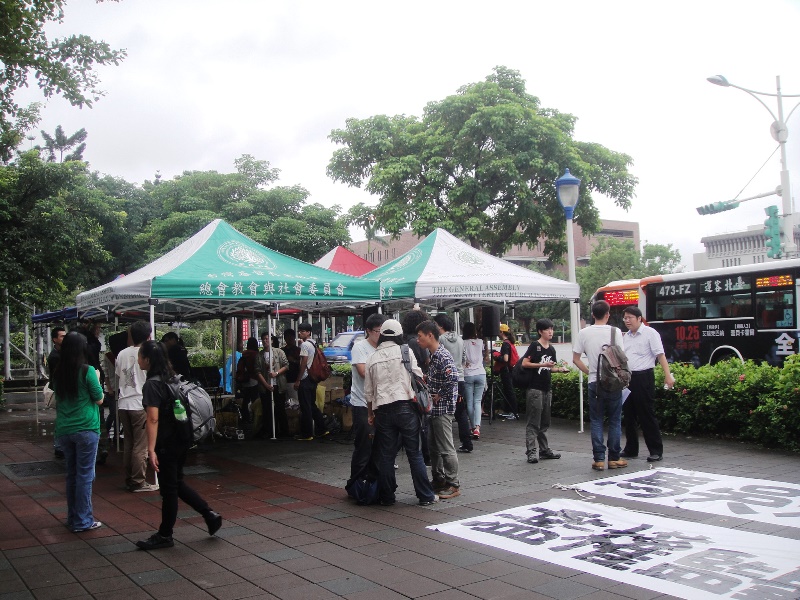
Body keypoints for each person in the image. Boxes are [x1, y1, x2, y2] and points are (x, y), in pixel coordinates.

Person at [136, 340, 222, 550]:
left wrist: (150, 449)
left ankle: (165, 534)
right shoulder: (172, 378)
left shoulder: (152, 384)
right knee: (176, 482)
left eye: (140, 355)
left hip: (167, 442)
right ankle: (209, 514)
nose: (138, 359)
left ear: (147, 359)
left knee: (169, 489)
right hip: (182, 438)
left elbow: (153, 419)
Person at [365, 319, 437, 506]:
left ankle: (387, 497)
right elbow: (418, 376)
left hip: (383, 411)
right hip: (406, 408)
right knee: (415, 454)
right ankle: (425, 496)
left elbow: (369, 392)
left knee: (387, 456)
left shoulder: (373, 357)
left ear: (382, 335)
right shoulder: (405, 351)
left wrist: (370, 414)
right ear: (399, 334)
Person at [52, 331, 104, 532]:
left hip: (65, 428)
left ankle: (73, 517)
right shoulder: (87, 370)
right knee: (85, 475)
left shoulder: (58, 371)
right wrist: (97, 378)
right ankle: (83, 520)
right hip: (86, 428)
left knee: (72, 474)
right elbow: (99, 399)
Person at [573, 300, 628, 472]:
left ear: (592, 315)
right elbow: (621, 357)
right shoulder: (615, 331)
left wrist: (590, 371)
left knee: (596, 420)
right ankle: (614, 458)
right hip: (613, 382)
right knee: (614, 420)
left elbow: (575, 359)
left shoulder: (583, 333)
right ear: (607, 314)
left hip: (594, 382)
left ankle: (598, 459)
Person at [621, 306, 675, 462]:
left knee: (646, 414)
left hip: (644, 377)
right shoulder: (625, 336)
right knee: (629, 415)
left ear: (639, 318)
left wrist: (667, 375)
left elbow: (660, 355)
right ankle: (631, 449)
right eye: (625, 318)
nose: (627, 321)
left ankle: (656, 450)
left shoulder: (650, 333)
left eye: (630, 318)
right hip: (628, 378)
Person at [416, 319, 461, 499]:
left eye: (420, 336)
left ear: (430, 335)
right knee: (434, 447)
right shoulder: (434, 354)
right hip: (435, 409)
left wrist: (439, 394)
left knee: (446, 447)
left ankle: (453, 484)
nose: (418, 340)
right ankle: (439, 479)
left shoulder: (442, 355)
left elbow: (453, 378)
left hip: (442, 409)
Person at [116, 321, 159, 492]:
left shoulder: (122, 354)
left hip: (123, 402)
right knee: (141, 445)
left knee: (129, 443)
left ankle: (130, 478)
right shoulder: (149, 353)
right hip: (140, 403)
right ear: (149, 336)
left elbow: (118, 376)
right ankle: (138, 481)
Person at [345, 312, 385, 495]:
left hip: (381, 404)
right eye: (378, 331)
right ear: (368, 331)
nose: (380, 335)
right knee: (363, 445)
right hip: (362, 403)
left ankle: (373, 484)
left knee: (379, 446)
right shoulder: (360, 347)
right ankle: (356, 484)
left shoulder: (385, 347)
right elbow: (363, 372)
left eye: (383, 331)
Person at [520, 318, 567, 464]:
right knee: (533, 422)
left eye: (552, 329)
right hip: (535, 389)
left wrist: (559, 369)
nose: (551, 332)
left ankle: (544, 450)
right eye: (547, 329)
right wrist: (542, 364)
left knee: (545, 422)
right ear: (540, 331)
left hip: (547, 388)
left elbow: (549, 368)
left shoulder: (551, 349)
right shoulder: (535, 346)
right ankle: (531, 452)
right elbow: (525, 363)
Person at [433, 314, 472, 454]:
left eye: (435, 324)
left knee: (444, 414)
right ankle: (467, 442)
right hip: (460, 379)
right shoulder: (460, 339)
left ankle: (445, 445)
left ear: (440, 326)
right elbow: (464, 359)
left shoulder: (440, 340)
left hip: (445, 380)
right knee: (461, 412)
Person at [294, 322, 328, 440]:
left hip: (305, 378)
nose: (300, 333)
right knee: (312, 405)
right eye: (299, 331)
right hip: (313, 378)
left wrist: (298, 379)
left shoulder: (304, 345)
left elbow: (304, 362)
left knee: (306, 407)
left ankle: (307, 434)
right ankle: (322, 429)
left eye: (302, 331)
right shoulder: (313, 343)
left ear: (308, 332)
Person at [256, 332, 290, 438]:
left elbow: (286, 365)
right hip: (265, 386)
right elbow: (258, 371)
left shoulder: (279, 352)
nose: (265, 341)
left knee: (280, 408)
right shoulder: (259, 355)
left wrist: (277, 373)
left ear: (271, 340)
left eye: (267, 339)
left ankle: (284, 431)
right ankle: (270, 430)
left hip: (278, 385)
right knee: (267, 410)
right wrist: (266, 385)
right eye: (263, 339)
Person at [462, 322, 486, 440]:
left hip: (468, 374)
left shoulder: (463, 343)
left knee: (469, 402)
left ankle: (472, 427)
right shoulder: (480, 342)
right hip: (481, 373)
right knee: (478, 401)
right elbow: (484, 356)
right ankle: (477, 427)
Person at [236, 337, 267, 424]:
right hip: (254, 380)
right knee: (255, 400)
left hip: (245, 380)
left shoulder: (244, 354)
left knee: (245, 400)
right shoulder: (256, 354)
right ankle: (255, 418)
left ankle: (245, 418)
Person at [48, 326, 66, 458]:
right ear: (55, 339)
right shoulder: (54, 357)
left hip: (63, 390)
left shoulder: (62, 353)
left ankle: (60, 445)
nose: (64, 338)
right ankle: (59, 446)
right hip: (61, 390)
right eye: (62, 336)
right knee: (61, 417)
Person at [496, 324, 519, 418]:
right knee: (508, 390)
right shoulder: (510, 342)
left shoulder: (505, 344)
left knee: (508, 391)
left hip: (506, 370)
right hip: (511, 369)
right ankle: (510, 411)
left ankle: (513, 412)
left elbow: (505, 359)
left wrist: (496, 356)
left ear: (501, 332)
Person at [282, 329, 301, 409]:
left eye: (291, 337)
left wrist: (293, 360)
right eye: (287, 337)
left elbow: (302, 364)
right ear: (285, 338)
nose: (290, 339)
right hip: (283, 380)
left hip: (294, 380)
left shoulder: (298, 350)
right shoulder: (282, 351)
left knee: (295, 403)